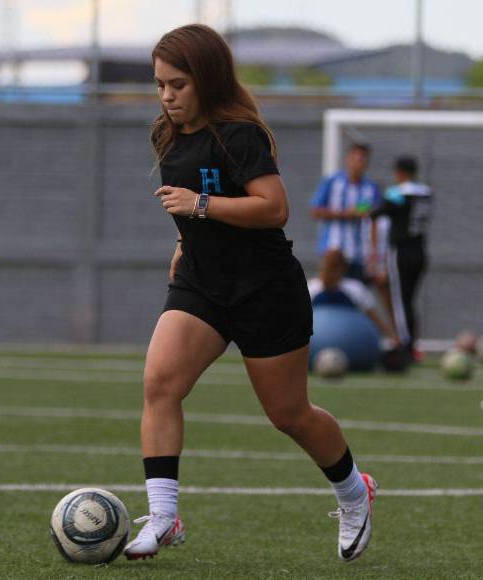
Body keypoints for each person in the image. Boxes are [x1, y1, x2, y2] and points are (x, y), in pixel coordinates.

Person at [124, 24, 377, 564]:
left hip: (265, 290)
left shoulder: (239, 135)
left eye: (178, 85)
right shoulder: (164, 134)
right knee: (159, 384)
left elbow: (273, 208)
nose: (166, 96)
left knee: (289, 414)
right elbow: (187, 202)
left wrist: (199, 208)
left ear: (207, 81)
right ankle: (164, 517)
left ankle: (355, 492)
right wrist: (183, 238)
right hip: (201, 283)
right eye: (160, 85)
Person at [370, 156, 432, 358]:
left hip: (401, 252)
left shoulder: (396, 193)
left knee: (400, 301)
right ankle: (413, 343)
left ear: (401, 172)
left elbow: (374, 213)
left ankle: (406, 345)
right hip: (420, 251)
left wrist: (361, 207)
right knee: (410, 299)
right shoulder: (426, 193)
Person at [309, 143, 381, 282]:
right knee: (332, 293)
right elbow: (315, 211)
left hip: (359, 255)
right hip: (333, 252)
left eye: (362, 159)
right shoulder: (332, 182)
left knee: (356, 295)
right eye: (355, 158)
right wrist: (345, 214)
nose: (358, 163)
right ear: (348, 159)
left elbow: (375, 222)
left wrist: (375, 255)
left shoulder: (371, 188)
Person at [308, 249, 399, 345]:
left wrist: (391, 336)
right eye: (327, 266)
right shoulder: (311, 288)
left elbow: (373, 318)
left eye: (334, 267)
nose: (330, 271)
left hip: (352, 342)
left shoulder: (355, 288)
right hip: (318, 342)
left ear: (342, 269)